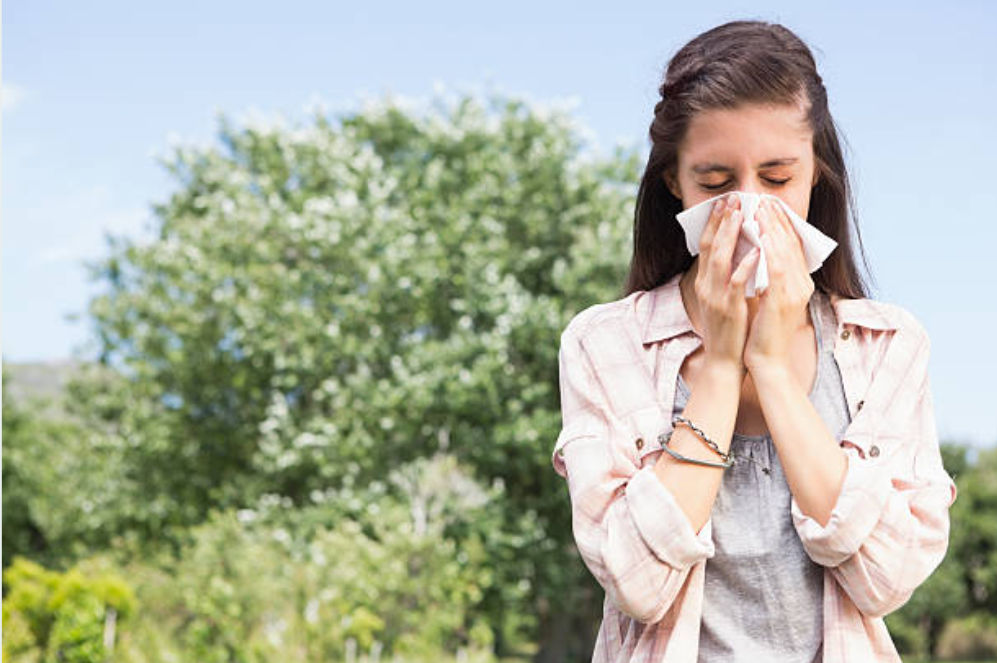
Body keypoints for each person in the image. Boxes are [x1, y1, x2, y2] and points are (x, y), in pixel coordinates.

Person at [550, 19, 958, 663]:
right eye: (715, 182)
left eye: (776, 179)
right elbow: (639, 583)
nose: (746, 208)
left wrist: (768, 364)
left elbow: (888, 577)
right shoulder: (605, 345)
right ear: (674, 184)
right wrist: (718, 366)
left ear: (815, 177)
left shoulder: (887, 346)